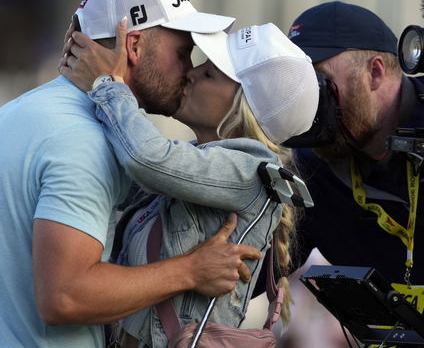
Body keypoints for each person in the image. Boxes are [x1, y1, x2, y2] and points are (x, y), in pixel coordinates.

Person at [0, 0, 262, 348]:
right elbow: (66, 295)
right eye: (182, 53)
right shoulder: (81, 138)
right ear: (134, 47)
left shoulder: (22, 111)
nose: (189, 71)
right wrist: (191, 270)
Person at [61, 20, 319, 347]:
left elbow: (146, 158)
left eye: (210, 74)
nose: (192, 73)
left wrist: (109, 83)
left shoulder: (249, 168)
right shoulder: (196, 162)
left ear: (244, 109)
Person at [286, 1, 424, 347]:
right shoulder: (308, 169)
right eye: (293, 85)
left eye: (318, 84)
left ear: (376, 72)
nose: (304, 103)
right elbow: (243, 275)